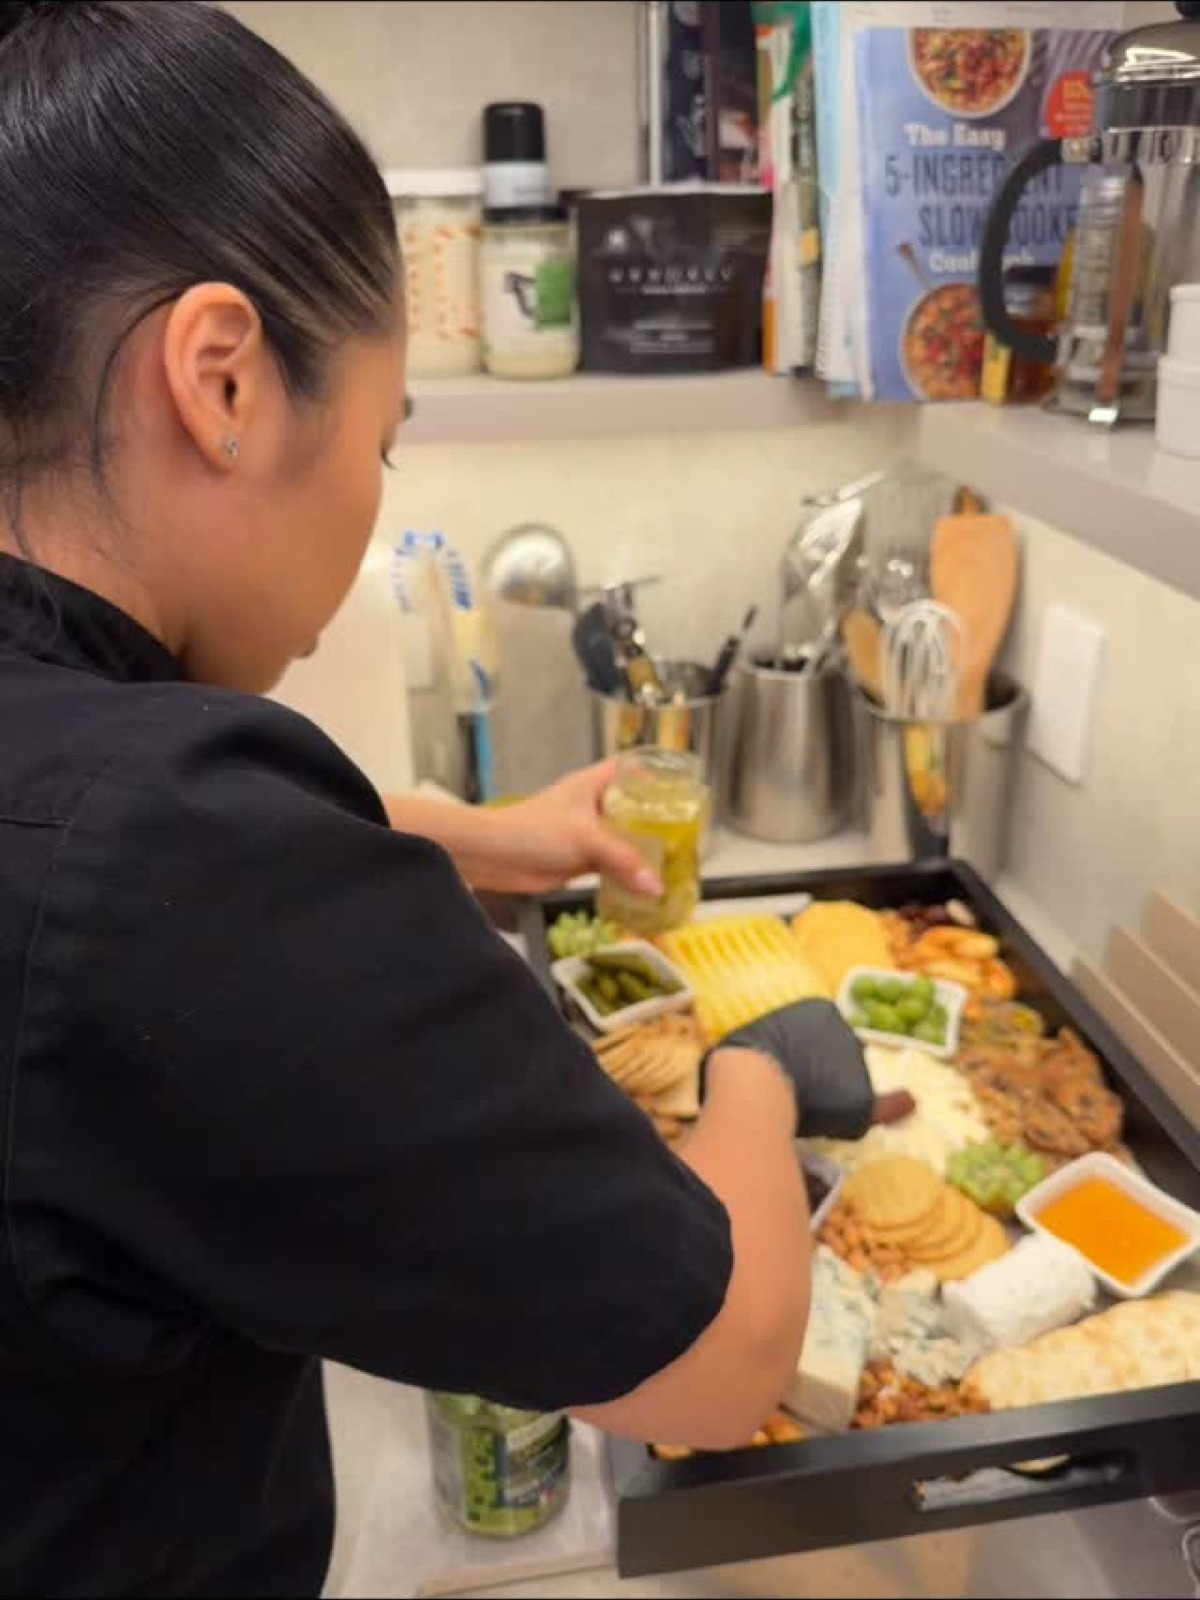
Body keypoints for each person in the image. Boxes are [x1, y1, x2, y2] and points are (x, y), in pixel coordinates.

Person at [0, 4, 880, 1595]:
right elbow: (723, 1350)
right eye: (387, 444)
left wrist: (490, 835)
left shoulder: (101, 795)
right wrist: (756, 1073)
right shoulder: (175, 846)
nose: (371, 507)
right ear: (222, 381)